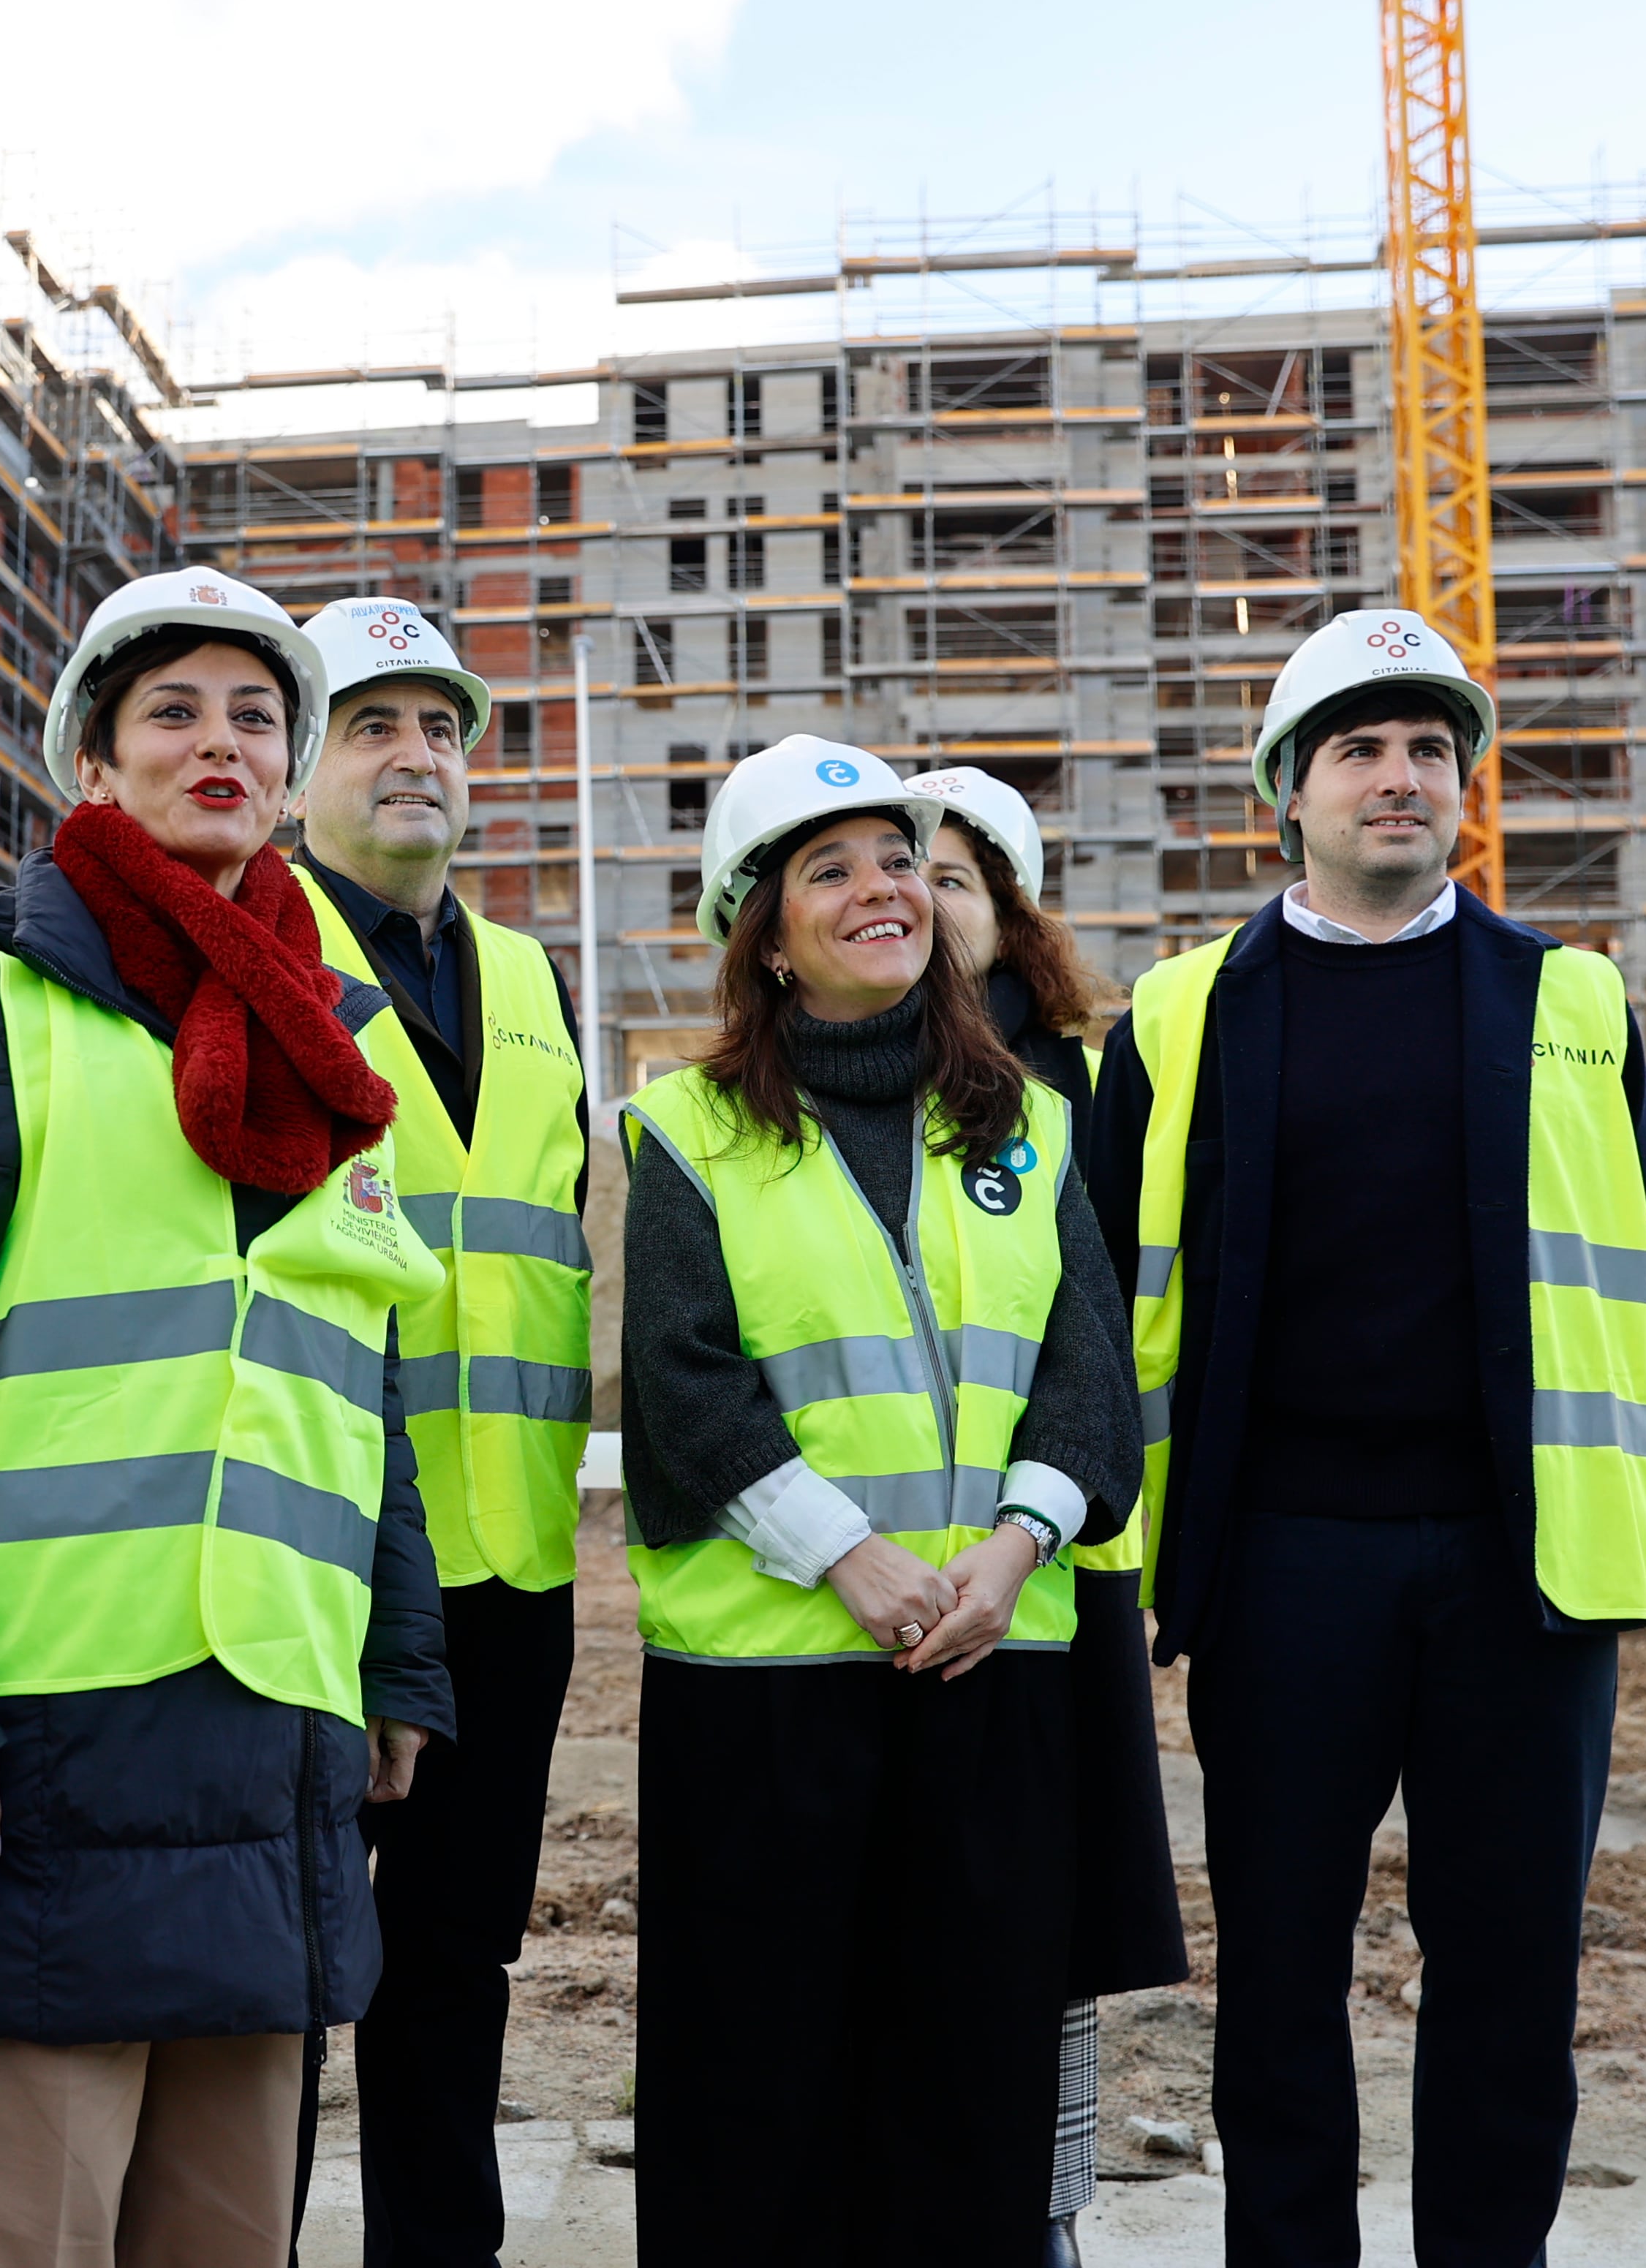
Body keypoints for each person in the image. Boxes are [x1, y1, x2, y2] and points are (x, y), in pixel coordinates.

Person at [0, 566, 456, 2267]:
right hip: (35, 1740)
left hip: (274, 1722)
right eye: (172, 710)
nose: (221, 743)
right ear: (95, 760)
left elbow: (351, 1378)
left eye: (258, 714)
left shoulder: (337, 1045)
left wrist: (399, 1655)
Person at [1084, 608, 1646, 2268]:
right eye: (1360, 749)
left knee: (1508, 1971)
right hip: (1280, 1564)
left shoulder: (1569, 999)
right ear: (1292, 789)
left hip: (1520, 1566)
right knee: (1280, 1969)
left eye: (1431, 750)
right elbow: (1103, 1293)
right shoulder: (1182, 1015)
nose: (1400, 779)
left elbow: (1634, 1280)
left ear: (1465, 789)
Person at [617, 736, 1141, 2267]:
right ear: (765, 928)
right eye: (829, 868)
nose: (880, 891)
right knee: (755, 2108)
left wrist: (1012, 1545)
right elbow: (682, 1382)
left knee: (967, 2108)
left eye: (900, 860)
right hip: (767, 1697)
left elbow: (1087, 1373)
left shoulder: (1033, 1127)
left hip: (990, 1669)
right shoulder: (685, 1129)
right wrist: (845, 1556)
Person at [289, 599, 590, 2268]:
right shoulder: (254, 958)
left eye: (444, 729)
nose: (420, 757)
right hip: (313, 1552)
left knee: (459, 1960)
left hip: (512, 1562)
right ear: (298, 769)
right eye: (373, 724)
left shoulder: (532, 980)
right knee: (268, 1963)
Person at [909, 764, 1186, 2264]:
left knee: (1035, 1927)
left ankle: (1041, 2215)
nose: (919, 901)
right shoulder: (825, 1078)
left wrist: (1037, 1528)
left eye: (956, 880)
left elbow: (1099, 1336)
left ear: (1009, 918)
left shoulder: (1076, 1093)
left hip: (1049, 1573)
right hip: (884, 1578)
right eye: (897, 870)